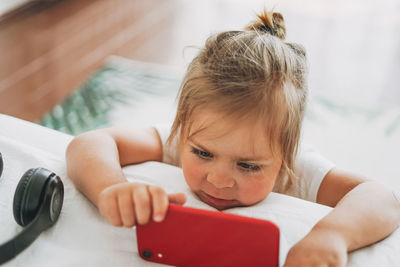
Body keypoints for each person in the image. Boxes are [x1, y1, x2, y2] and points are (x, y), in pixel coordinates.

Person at [66, 10, 400, 267]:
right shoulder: (181, 139)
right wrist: (111, 187)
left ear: (284, 155)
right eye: (203, 154)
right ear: (183, 129)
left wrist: (334, 234)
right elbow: (89, 143)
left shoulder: (295, 169)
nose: (220, 179)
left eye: (248, 165)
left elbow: (381, 197)